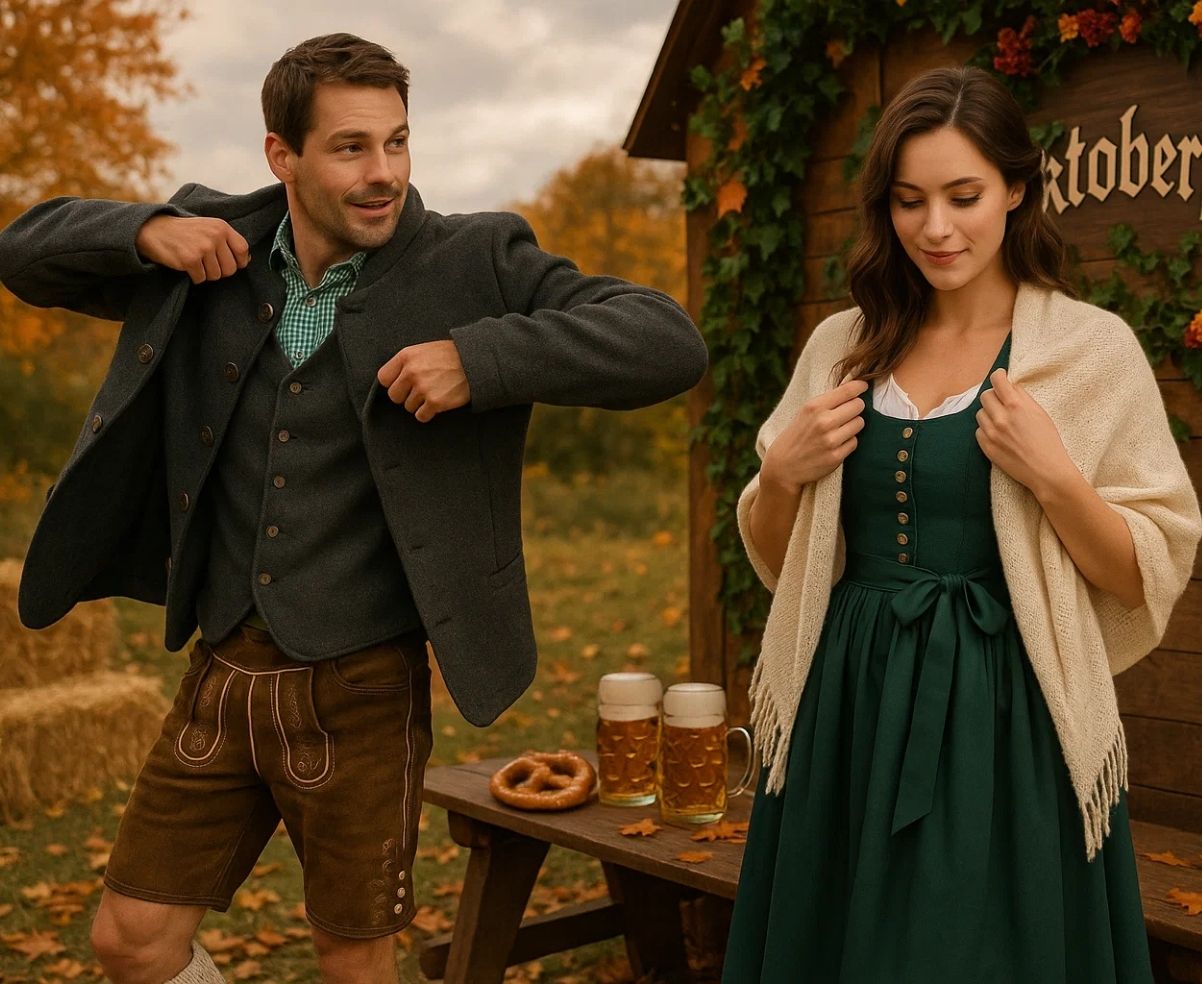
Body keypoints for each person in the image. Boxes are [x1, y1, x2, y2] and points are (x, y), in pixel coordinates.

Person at [0, 33, 707, 984]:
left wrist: (481, 359)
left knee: (354, 962)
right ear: (280, 155)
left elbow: (666, 340)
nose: (384, 174)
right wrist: (142, 230)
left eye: (398, 143)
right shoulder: (215, 247)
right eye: (350, 148)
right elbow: (23, 250)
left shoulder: (474, 256)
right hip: (223, 664)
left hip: (364, 683)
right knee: (130, 939)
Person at [721, 66, 1201, 983]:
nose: (936, 229)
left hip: (1005, 715)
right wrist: (779, 477)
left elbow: (1146, 571)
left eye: (964, 196)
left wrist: (1058, 479)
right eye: (910, 202)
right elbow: (790, 566)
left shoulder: (1090, 352)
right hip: (846, 706)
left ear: (1018, 189)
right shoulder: (844, 346)